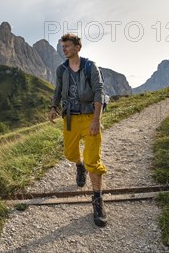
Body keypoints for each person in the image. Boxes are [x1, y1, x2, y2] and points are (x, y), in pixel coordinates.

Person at [49, 33, 107, 227]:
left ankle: (97, 200)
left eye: (67, 46)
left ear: (77, 47)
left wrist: (96, 120)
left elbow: (99, 91)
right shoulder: (61, 69)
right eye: (62, 46)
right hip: (70, 119)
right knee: (70, 153)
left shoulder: (91, 67)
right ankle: (78, 165)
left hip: (90, 117)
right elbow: (58, 90)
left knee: (93, 161)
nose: (63, 49)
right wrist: (53, 107)